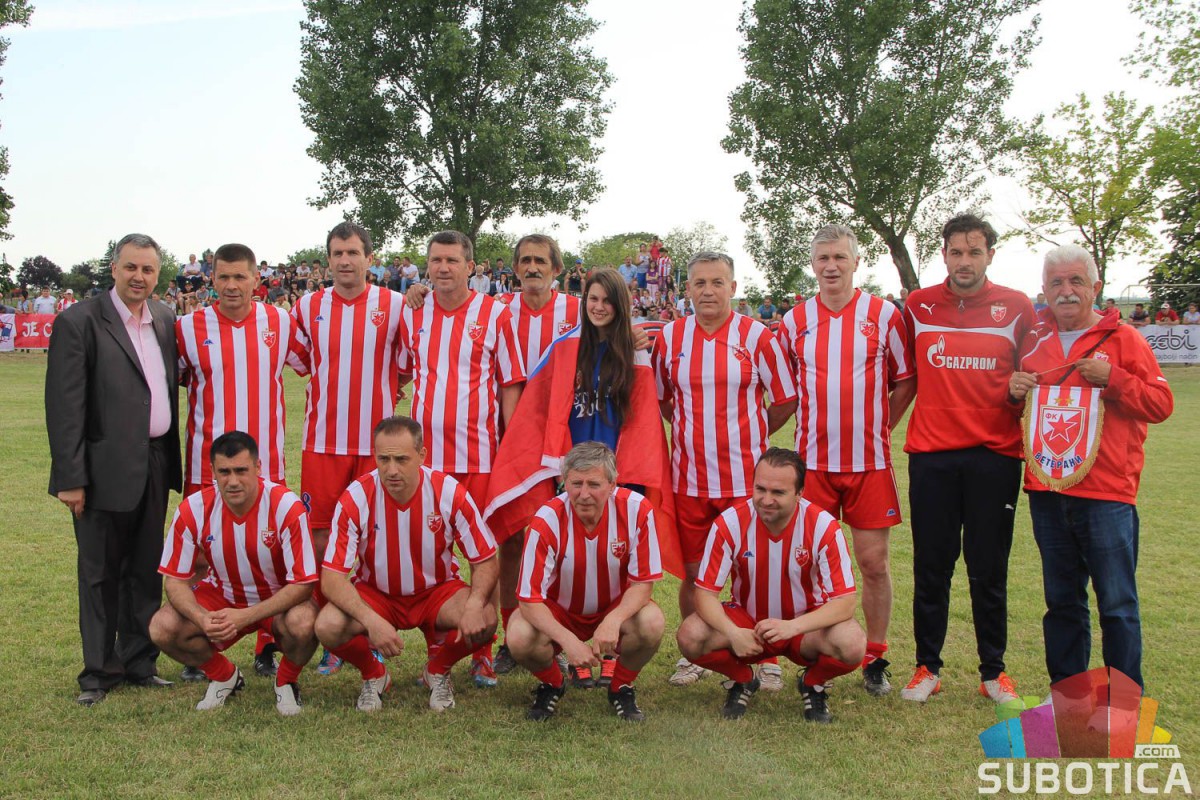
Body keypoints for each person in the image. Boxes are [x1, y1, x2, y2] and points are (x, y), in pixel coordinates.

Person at [484, 267, 676, 686]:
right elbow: (543, 406)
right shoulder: (565, 346)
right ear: (583, 301)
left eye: (607, 300)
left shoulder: (635, 350)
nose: (599, 307)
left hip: (617, 472)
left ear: (620, 305)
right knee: (567, 558)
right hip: (572, 473)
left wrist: (630, 475)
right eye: (593, 299)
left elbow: (644, 416)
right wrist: (556, 466)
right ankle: (564, 644)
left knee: (618, 558)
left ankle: (611, 652)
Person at [1008, 245, 1173, 691]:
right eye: (1056, 283)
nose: (1066, 291)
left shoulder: (1125, 339)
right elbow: (1021, 416)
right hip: (1048, 490)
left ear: (1095, 287)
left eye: (1076, 281)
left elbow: (1161, 404)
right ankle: (1069, 699)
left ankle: (1124, 701)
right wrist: (1013, 392)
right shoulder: (1032, 341)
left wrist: (1114, 379)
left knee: (1116, 604)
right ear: (1044, 290)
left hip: (1107, 495)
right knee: (1062, 602)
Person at [899, 213, 1035, 704]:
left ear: (990, 255)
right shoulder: (918, 305)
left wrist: (1019, 392)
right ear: (944, 255)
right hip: (932, 456)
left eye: (974, 252)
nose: (964, 261)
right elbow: (903, 375)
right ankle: (926, 668)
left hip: (994, 457)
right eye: (956, 252)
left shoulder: (1017, 307)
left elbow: (1032, 377)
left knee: (988, 567)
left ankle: (993, 672)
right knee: (931, 566)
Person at [777, 224, 915, 696]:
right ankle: (814, 650)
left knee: (873, 563)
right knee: (808, 564)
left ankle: (875, 655)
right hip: (812, 465)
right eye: (823, 258)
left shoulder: (884, 315)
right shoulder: (794, 321)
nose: (831, 266)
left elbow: (906, 379)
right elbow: (784, 387)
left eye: (840, 257)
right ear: (813, 264)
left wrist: (882, 427)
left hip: (869, 464)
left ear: (856, 261)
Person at [46, 233, 183, 706]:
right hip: (102, 470)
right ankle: (99, 672)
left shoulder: (164, 318)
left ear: (157, 274)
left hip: (155, 462)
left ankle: (140, 662)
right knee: (100, 574)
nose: (139, 277)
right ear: (114, 269)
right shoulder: (79, 322)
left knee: (145, 568)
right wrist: (71, 479)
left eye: (148, 269)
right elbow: (65, 407)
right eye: (131, 267)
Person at [652, 252, 797, 689]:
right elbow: (662, 399)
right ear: (687, 289)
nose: (708, 291)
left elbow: (785, 398)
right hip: (690, 481)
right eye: (699, 283)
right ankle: (697, 654)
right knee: (696, 573)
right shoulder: (671, 337)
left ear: (733, 288)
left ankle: (768, 657)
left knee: (756, 573)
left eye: (717, 283)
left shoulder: (757, 336)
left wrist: (752, 431)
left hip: (746, 482)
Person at [398, 230, 525, 686]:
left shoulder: (495, 314)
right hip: (427, 461)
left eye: (452, 260)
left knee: (482, 554)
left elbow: (509, 383)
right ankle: (439, 648)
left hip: (480, 457)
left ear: (471, 267)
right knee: (430, 552)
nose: (443, 268)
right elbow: (401, 371)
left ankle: (481, 651)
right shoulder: (412, 312)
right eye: (436, 260)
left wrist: (510, 446)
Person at [175, 244, 308, 678]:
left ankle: (268, 643)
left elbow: (314, 364)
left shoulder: (280, 322)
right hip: (206, 463)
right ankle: (202, 638)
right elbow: (173, 379)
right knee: (201, 557)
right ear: (211, 279)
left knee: (269, 555)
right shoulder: (187, 328)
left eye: (240, 277)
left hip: (265, 465)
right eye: (223, 277)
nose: (231, 285)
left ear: (256, 279)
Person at [315, 416, 499, 712]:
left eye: (401, 459)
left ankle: (437, 670)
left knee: (486, 618)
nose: (391, 470)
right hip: (377, 594)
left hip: (436, 592)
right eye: (383, 459)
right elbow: (331, 578)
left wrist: (475, 604)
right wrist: (371, 620)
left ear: (422, 455)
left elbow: (485, 560)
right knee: (327, 626)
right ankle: (374, 674)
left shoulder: (448, 492)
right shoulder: (356, 497)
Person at [290, 222, 408, 676]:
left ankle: (367, 632)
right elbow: (303, 362)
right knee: (322, 538)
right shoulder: (308, 306)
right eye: (337, 253)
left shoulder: (394, 305)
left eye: (353, 252)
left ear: (369, 258)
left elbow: (406, 362)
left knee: (373, 538)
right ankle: (332, 636)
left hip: (376, 445)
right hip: (323, 441)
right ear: (328, 259)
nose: (345, 260)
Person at [676, 448, 865, 722]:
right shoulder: (730, 522)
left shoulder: (823, 526)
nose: (766, 500)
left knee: (852, 643)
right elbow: (704, 594)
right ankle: (743, 679)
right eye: (760, 489)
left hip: (804, 626)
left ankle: (812, 683)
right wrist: (732, 633)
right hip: (748, 623)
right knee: (690, 635)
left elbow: (845, 602)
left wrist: (792, 627)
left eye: (778, 492)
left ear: (799, 493)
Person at [150, 432, 319, 715]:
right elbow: (176, 581)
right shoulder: (193, 509)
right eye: (224, 472)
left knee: (304, 623)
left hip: (278, 599)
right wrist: (201, 618)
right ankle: (224, 676)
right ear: (212, 471)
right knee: (162, 627)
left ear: (258, 467)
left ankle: (286, 681)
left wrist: (246, 616)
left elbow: (303, 584)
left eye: (241, 470)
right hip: (224, 596)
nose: (233, 481)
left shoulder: (285, 506)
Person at [507, 443, 665, 721]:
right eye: (576, 483)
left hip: (613, 606)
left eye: (594, 484)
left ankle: (621, 687)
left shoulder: (637, 510)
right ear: (564, 481)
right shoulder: (546, 520)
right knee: (519, 635)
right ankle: (553, 683)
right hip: (561, 610)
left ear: (613, 484)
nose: (583, 494)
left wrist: (614, 619)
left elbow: (643, 584)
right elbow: (529, 600)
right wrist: (569, 641)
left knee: (651, 622)